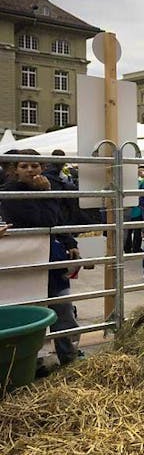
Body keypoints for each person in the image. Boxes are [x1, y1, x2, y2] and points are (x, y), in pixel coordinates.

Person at [0, 149, 83, 366]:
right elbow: (44, 220)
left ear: (42, 168)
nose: (30, 170)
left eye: (34, 165)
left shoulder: (46, 188)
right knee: (29, 310)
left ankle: (69, 357)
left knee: (63, 308)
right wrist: (46, 195)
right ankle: (30, 361)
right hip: (25, 260)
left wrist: (69, 242)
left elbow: (57, 220)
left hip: (51, 257)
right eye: (24, 166)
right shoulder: (10, 193)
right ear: (15, 170)